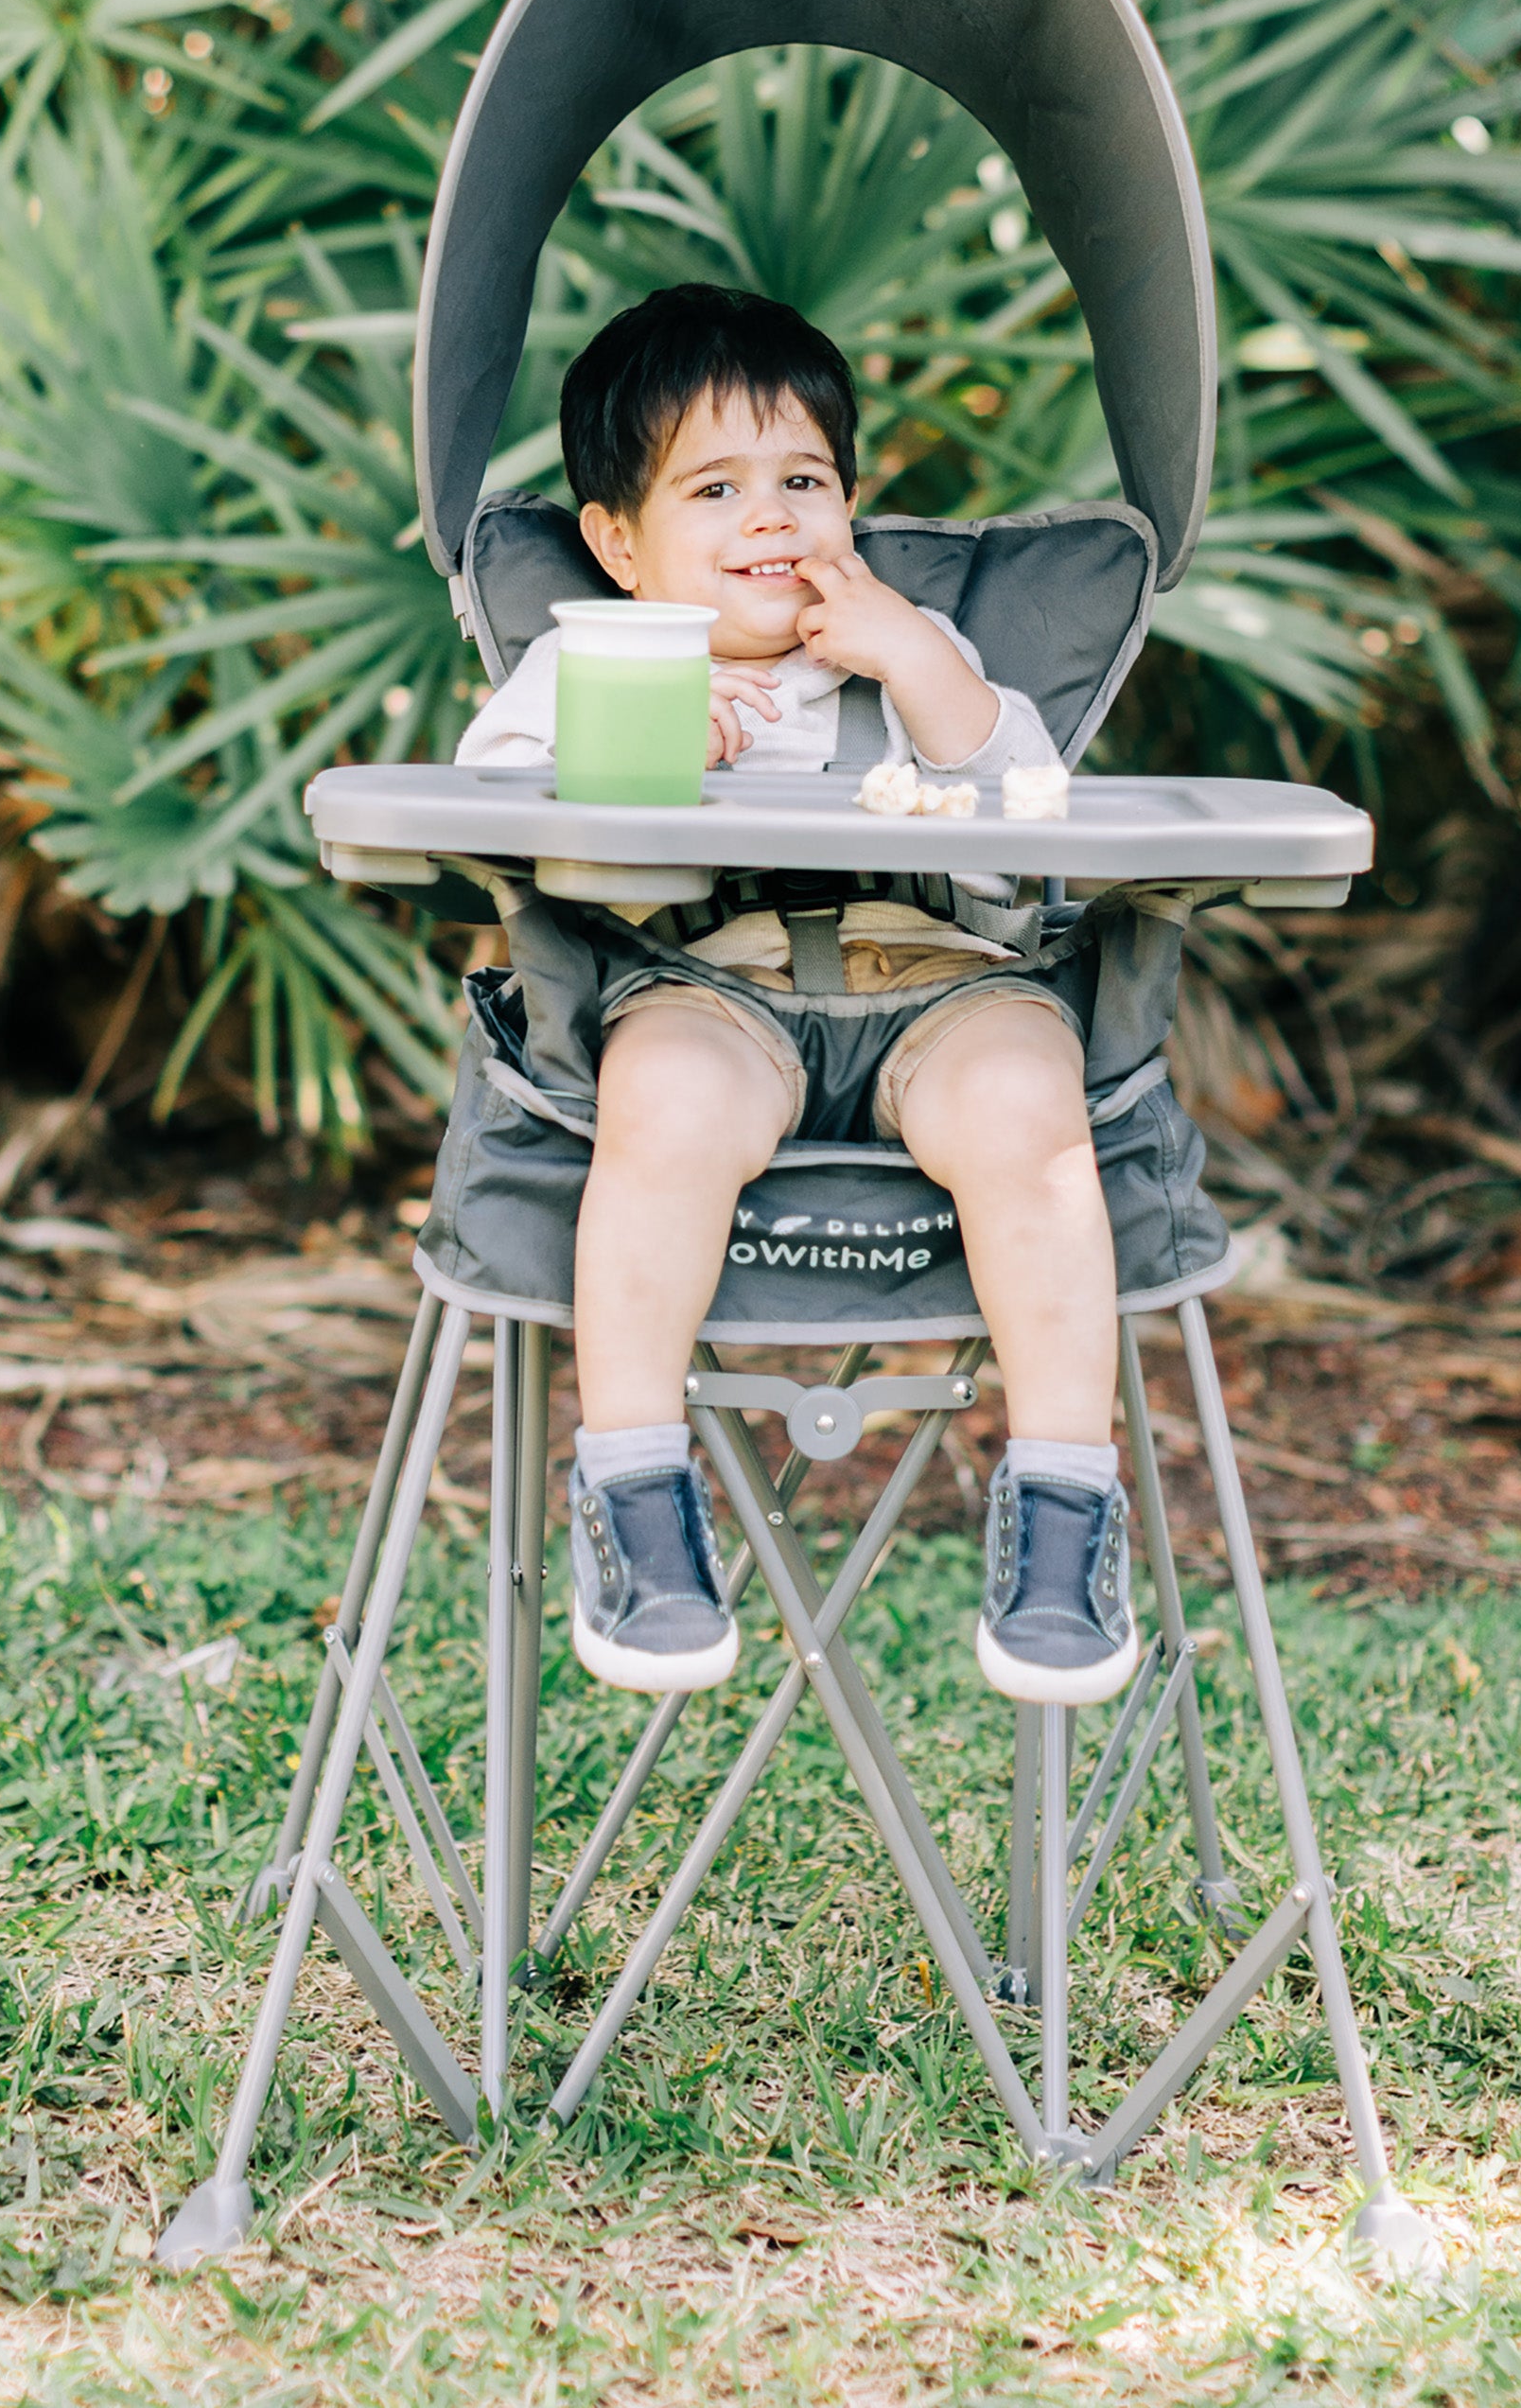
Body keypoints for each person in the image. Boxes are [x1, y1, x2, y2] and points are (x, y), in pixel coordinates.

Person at [456, 285, 1138, 1711]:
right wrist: (625, 754)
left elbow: (1033, 806)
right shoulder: (589, 672)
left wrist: (915, 660)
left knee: (1032, 1094)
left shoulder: (910, 663)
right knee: (666, 1097)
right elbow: (484, 805)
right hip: (716, 981)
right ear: (618, 544)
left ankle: (1067, 1505)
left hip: (935, 980)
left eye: (805, 480)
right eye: (717, 487)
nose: (774, 516)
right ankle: (638, 1489)